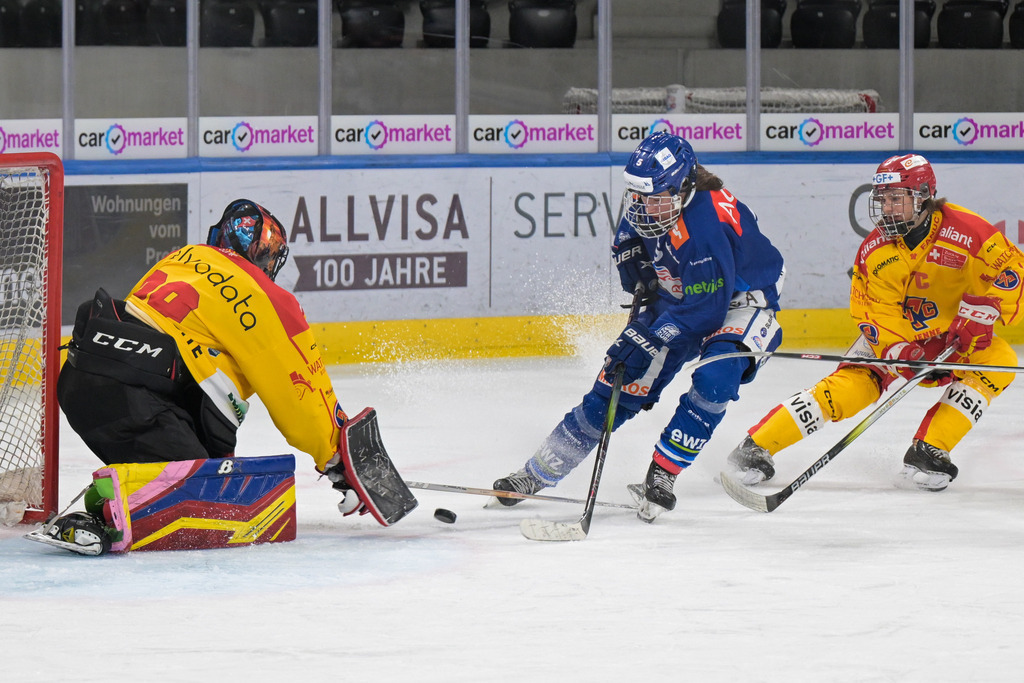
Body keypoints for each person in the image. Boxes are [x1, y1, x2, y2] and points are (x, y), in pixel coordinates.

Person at [40, 199, 415, 554]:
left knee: (199, 467)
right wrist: (337, 457)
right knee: (214, 505)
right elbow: (296, 392)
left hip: (79, 380)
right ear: (263, 253)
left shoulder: (182, 257)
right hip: (137, 397)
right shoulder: (264, 295)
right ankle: (102, 518)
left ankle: (105, 500)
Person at [492, 132, 786, 522]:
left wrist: (649, 337)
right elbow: (637, 231)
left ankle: (663, 473)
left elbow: (707, 312)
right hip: (686, 293)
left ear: (684, 187)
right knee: (617, 382)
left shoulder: (706, 226)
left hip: (740, 301)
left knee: (717, 376)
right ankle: (537, 471)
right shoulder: (657, 202)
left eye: (655, 197)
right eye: (639, 196)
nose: (646, 206)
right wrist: (631, 256)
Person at [726, 153, 1024, 492]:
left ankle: (930, 448)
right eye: (882, 199)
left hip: (954, 339)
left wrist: (985, 310)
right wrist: (901, 351)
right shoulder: (875, 251)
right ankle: (755, 447)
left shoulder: (969, 231)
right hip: (898, 341)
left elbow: (1014, 272)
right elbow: (873, 312)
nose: (887, 208)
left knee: (1000, 360)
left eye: (896, 198)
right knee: (851, 390)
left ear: (923, 195)